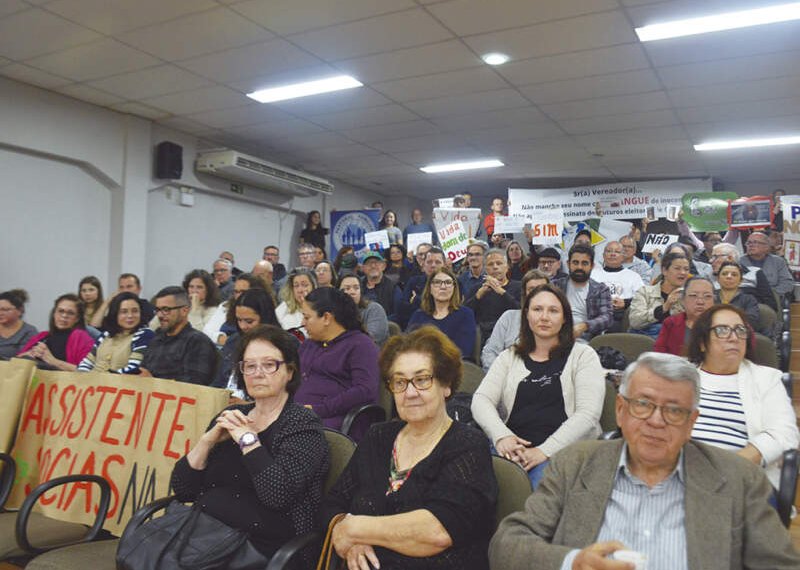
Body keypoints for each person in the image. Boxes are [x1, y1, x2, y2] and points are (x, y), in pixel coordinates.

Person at [489, 351, 800, 570]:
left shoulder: (739, 479)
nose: (656, 420)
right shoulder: (575, 465)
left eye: (674, 410)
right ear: (621, 411)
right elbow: (507, 544)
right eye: (643, 404)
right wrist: (572, 563)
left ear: (692, 422)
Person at [320, 326, 497, 570]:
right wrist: (352, 541)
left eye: (422, 379)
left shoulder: (467, 445)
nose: (410, 392)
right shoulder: (378, 437)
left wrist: (354, 529)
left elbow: (438, 531)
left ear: (446, 385)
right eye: (400, 382)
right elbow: (334, 502)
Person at [170, 325, 330, 560]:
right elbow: (184, 490)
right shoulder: (232, 415)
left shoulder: (303, 424)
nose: (258, 373)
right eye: (250, 366)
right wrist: (206, 442)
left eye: (269, 364)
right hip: (205, 537)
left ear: (290, 372)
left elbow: (277, 494)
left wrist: (248, 440)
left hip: (263, 549)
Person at [472, 284, 604, 488]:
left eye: (553, 311)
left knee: (535, 499)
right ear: (526, 315)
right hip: (512, 447)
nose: (544, 317)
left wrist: (543, 451)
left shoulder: (583, 356)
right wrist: (502, 436)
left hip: (562, 451)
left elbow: (588, 414)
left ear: (565, 318)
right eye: (537, 309)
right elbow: (481, 400)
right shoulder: (509, 356)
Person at [687, 305, 799, 489]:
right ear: (702, 342)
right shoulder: (681, 376)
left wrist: (729, 467)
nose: (734, 337)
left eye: (740, 330)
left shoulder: (767, 379)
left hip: (739, 479)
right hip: (678, 473)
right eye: (722, 330)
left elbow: (784, 434)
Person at [295, 288, 380, 438]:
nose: (302, 323)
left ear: (327, 318)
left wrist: (318, 409)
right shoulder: (309, 345)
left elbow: (365, 390)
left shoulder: (360, 345)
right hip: (298, 416)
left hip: (333, 422)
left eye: (307, 317)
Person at [139, 286, 218, 385]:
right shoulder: (156, 339)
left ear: (184, 311)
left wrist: (153, 382)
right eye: (158, 310)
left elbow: (194, 384)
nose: (159, 315)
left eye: (166, 309)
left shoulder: (197, 342)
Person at [213, 289, 279, 398]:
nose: (243, 326)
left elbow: (280, 392)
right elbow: (218, 381)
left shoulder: (282, 344)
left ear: (265, 317)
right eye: (239, 320)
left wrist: (247, 405)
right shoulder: (233, 341)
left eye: (249, 321)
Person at [481, 269, 549, 372]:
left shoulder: (557, 320)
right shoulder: (508, 317)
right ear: (524, 293)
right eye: (532, 289)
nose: (537, 293)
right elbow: (490, 352)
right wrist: (501, 375)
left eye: (542, 289)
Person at [408, 267, 477, 359]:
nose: (443, 287)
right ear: (430, 288)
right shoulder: (419, 315)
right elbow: (408, 345)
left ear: (454, 288)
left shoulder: (466, 314)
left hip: (452, 366)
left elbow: (463, 350)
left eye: (448, 282)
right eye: (437, 282)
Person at [77, 292, 154, 374]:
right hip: (92, 383)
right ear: (115, 314)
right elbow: (87, 362)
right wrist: (83, 377)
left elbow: (134, 368)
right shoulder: (106, 335)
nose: (130, 316)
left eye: (135, 311)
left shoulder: (145, 334)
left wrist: (103, 379)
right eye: (124, 312)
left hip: (120, 384)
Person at [552, 244, 613, 341]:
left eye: (584, 263)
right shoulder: (555, 286)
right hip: (556, 336)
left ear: (592, 265)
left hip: (587, 339)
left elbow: (607, 318)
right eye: (575, 263)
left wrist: (585, 326)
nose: (579, 267)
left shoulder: (600, 289)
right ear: (568, 264)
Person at [17, 293, 94, 370]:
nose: (64, 316)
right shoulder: (42, 336)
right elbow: (15, 362)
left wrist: (52, 361)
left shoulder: (81, 337)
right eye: (61, 311)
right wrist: (30, 353)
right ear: (54, 313)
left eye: (70, 313)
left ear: (77, 318)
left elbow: (86, 372)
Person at [464, 248, 522, 347]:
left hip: (512, 336)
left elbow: (521, 310)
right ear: (485, 268)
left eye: (499, 263)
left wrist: (503, 293)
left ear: (507, 266)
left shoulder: (519, 286)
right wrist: (478, 296)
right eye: (490, 264)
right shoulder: (477, 289)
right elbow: (465, 314)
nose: (495, 267)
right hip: (484, 338)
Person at [628, 251, 688, 337]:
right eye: (677, 268)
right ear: (664, 271)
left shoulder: (689, 296)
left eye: (686, 269)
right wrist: (664, 307)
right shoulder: (645, 292)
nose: (683, 272)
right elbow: (635, 322)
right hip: (646, 340)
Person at [589, 240, 644, 333]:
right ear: (603, 255)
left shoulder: (633, 276)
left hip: (622, 315)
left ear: (623, 256)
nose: (612, 254)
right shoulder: (592, 275)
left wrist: (625, 303)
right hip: (597, 313)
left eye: (617, 252)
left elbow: (642, 299)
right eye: (609, 251)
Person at [653, 277, 715, 356]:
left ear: (714, 301)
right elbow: (659, 355)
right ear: (683, 300)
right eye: (693, 295)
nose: (700, 302)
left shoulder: (721, 324)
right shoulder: (671, 323)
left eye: (707, 296)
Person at [203, 272, 264, 346]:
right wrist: (221, 338)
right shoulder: (226, 306)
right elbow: (207, 331)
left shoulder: (264, 308)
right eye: (236, 292)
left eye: (243, 292)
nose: (238, 296)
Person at [710, 242, 777, 310]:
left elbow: (771, 305)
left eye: (715, 257)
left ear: (730, 258)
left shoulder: (754, 272)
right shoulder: (709, 278)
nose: (710, 260)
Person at [741, 231, 795, 303]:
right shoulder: (739, 261)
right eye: (749, 243)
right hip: (746, 300)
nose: (751, 245)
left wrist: (771, 295)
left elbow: (787, 283)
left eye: (755, 242)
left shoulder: (778, 261)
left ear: (766, 247)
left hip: (773, 299)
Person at [89, 273, 155, 328]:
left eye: (129, 286)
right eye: (121, 287)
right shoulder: (115, 306)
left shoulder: (146, 306)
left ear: (139, 289)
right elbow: (94, 326)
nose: (125, 290)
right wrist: (107, 302)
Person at [340, 275, 389, 346]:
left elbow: (371, 339)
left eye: (356, 288)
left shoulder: (374, 309)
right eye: (347, 288)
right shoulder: (333, 313)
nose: (352, 292)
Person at [715, 261, 763, 334]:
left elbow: (752, 322)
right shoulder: (710, 296)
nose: (729, 276)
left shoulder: (748, 299)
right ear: (718, 279)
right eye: (724, 274)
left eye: (734, 275)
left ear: (741, 281)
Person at [276, 268, 317, 335]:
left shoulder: (320, 308)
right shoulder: (284, 307)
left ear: (313, 286)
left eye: (305, 285)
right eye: (296, 286)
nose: (300, 290)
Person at [360, 251, 401, 317]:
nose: (373, 266)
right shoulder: (357, 285)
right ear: (363, 268)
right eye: (369, 263)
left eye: (376, 263)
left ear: (383, 266)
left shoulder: (393, 287)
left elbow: (398, 314)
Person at [0, 289, 37, 360]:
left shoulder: (29, 332)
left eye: (5, 310)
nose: (0, 313)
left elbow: (25, 359)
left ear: (20, 310)